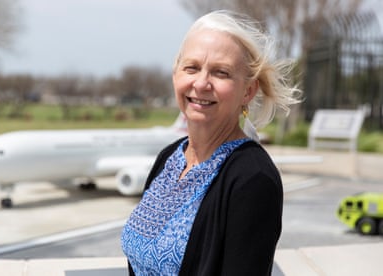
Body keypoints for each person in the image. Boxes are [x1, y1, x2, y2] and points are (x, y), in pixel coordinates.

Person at [121, 10, 301, 275]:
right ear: (176, 76)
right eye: (191, 68)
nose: (202, 83)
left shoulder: (252, 179)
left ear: (248, 91)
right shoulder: (169, 157)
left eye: (221, 72)